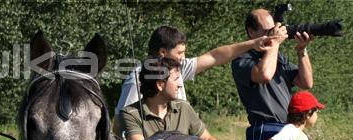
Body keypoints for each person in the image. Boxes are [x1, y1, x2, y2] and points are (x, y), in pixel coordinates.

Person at [114, 25, 274, 118]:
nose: (184, 58)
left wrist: (253, 43)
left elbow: (215, 56)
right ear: (163, 52)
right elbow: (124, 118)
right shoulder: (138, 78)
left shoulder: (179, 68)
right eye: (180, 53)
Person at [232, 8, 314, 140]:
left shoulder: (278, 57)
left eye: (274, 29)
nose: (274, 34)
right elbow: (264, 75)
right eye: (268, 31)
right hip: (264, 128)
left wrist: (301, 51)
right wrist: (274, 43)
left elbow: (306, 83)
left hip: (287, 128)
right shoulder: (242, 57)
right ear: (251, 32)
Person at [116, 56, 222, 140]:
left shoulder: (183, 107)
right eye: (176, 79)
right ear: (160, 85)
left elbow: (208, 139)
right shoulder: (131, 114)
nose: (180, 84)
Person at [261, 91, 353, 140]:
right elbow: (278, 139)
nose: (317, 115)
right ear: (308, 113)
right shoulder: (291, 129)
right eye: (316, 111)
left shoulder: (301, 136)